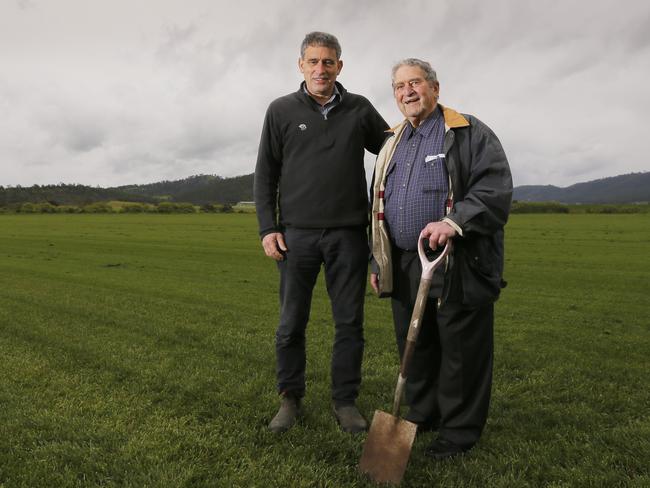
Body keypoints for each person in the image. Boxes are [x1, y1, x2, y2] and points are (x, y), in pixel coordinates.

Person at [370, 58, 512, 458]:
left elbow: (494, 189)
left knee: (460, 346)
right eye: (399, 87)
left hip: (457, 259)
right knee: (417, 342)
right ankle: (425, 411)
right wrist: (377, 261)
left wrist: (454, 221)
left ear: (434, 87)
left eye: (415, 83)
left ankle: (460, 430)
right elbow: (378, 203)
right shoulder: (393, 140)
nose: (407, 92)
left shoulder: (468, 131)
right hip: (403, 258)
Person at [254, 32, 389, 433]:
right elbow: (266, 175)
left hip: (348, 234)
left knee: (349, 323)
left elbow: (394, 151)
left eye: (328, 62)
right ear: (301, 65)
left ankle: (345, 401)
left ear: (339, 66)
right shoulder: (280, 110)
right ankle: (290, 399)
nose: (320, 69)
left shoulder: (360, 109)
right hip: (297, 237)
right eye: (312, 62)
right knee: (291, 322)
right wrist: (267, 228)